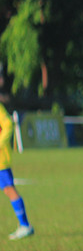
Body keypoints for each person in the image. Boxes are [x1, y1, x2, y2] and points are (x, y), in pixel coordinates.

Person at [0, 95, 34, 240]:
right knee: (8, 189)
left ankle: (25, 225)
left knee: (9, 189)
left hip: (0, 160)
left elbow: (7, 123)